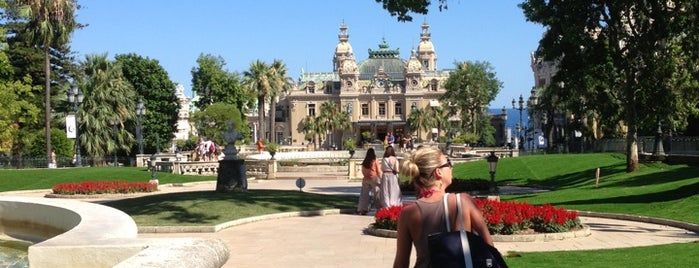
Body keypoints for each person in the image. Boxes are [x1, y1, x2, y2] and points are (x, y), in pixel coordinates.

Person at [393, 146, 494, 268]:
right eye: (448, 163)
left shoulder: (408, 213)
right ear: (438, 172)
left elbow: (401, 263)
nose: (451, 167)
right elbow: (490, 249)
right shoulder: (463, 202)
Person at [358, 148, 382, 215]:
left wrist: (366, 175)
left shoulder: (365, 161)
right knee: (377, 194)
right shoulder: (375, 160)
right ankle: (379, 209)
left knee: (364, 195)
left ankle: (362, 209)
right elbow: (379, 171)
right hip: (374, 178)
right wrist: (381, 178)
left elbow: (362, 170)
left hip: (366, 179)